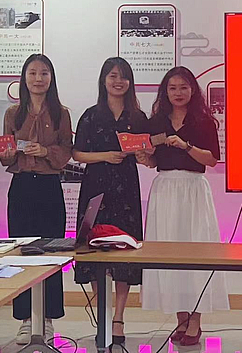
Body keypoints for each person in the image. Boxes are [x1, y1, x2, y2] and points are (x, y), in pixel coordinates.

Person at [140, 66, 229, 346]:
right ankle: (181, 319)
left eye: (183, 87)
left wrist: (186, 146)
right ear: (165, 92)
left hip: (193, 190)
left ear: (193, 90)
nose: (178, 93)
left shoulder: (204, 121)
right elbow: (154, 160)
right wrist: (145, 157)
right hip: (165, 190)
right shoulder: (155, 122)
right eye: (172, 88)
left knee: (196, 252)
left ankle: (196, 321)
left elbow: (211, 160)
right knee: (170, 254)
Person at [72, 57, 148, 345]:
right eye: (113, 76)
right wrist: (105, 156)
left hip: (126, 188)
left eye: (123, 77)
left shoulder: (137, 117)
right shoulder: (91, 115)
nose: (118, 81)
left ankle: (118, 317)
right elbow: (77, 154)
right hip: (96, 187)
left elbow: (146, 152)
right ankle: (103, 314)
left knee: (125, 249)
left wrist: (144, 154)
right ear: (103, 80)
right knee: (95, 249)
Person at [0, 54, 73, 346]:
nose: (38, 78)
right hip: (21, 188)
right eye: (32, 73)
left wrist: (46, 152)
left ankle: (48, 319)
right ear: (24, 78)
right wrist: (7, 153)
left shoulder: (61, 114)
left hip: (49, 187)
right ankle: (26, 319)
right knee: (21, 254)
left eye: (44, 73)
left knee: (51, 254)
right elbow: (5, 153)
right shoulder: (13, 113)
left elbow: (67, 150)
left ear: (51, 78)